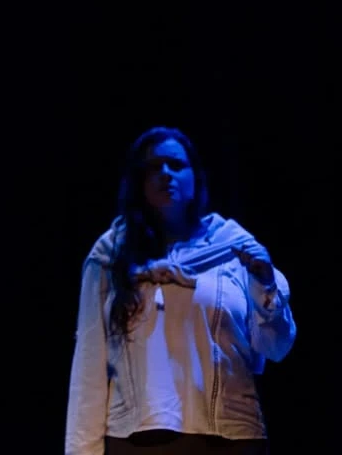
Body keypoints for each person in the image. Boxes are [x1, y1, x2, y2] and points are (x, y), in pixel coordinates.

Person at [65, 126, 297, 455]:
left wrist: (266, 285)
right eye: (153, 167)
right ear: (138, 181)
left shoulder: (234, 248)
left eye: (176, 165)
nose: (165, 173)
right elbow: (89, 367)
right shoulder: (111, 255)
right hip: (136, 440)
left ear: (195, 177)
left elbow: (275, 347)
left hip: (230, 437)